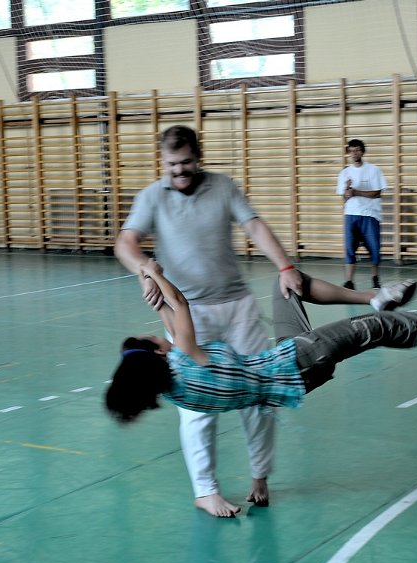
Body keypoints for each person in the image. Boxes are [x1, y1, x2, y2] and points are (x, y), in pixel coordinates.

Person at [106, 259, 417, 451]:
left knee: (287, 282)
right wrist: (155, 272)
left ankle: (373, 296)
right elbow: (180, 307)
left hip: (284, 364)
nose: (158, 334)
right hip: (299, 362)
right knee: (383, 328)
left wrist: (153, 295)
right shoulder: (185, 359)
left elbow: (170, 320)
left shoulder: (179, 387)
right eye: (152, 338)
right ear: (156, 353)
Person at [114, 125, 303, 518]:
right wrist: (144, 270)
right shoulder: (152, 196)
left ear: (198, 158)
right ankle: (205, 491)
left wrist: (285, 266)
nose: (179, 171)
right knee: (197, 408)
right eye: (171, 164)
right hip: (188, 314)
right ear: (163, 162)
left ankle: (260, 477)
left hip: (237, 308)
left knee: (261, 392)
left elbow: (254, 225)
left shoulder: (223, 186)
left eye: (185, 163)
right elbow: (125, 243)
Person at [336, 139, 388, 290]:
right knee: (350, 248)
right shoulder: (345, 173)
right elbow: (344, 197)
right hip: (351, 214)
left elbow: (377, 193)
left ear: (362, 152)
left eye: (357, 150)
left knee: (374, 248)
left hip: (370, 214)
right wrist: (347, 192)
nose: (354, 153)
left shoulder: (374, 170)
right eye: (351, 151)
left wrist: (356, 192)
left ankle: (375, 278)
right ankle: (349, 281)